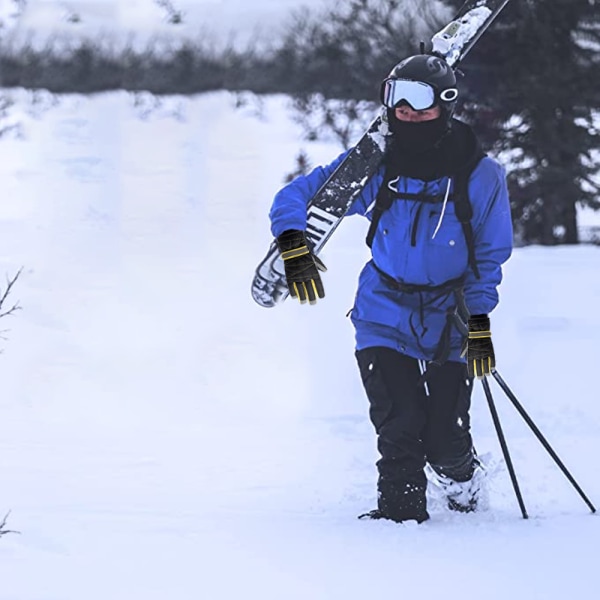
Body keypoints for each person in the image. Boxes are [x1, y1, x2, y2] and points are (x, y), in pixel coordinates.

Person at [269, 54, 513, 523]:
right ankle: (399, 520)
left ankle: (462, 478)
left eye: (418, 101)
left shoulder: (481, 176)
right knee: (400, 422)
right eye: (395, 100)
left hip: (452, 312)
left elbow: (490, 255)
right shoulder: (375, 168)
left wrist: (479, 320)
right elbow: (295, 196)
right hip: (384, 309)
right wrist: (295, 245)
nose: (405, 111)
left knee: (444, 436)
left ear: (445, 104)